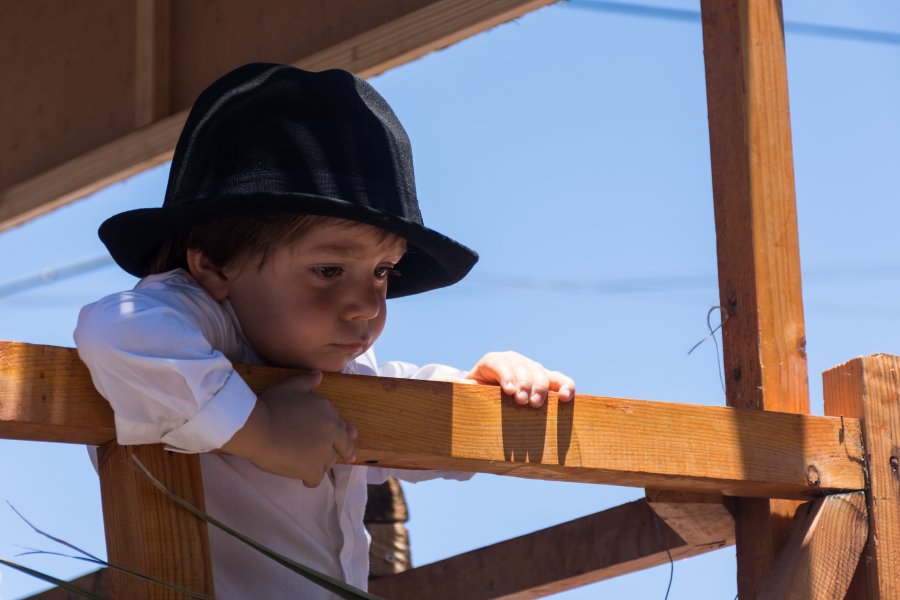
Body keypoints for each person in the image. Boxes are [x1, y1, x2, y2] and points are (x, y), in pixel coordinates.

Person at [74, 63, 575, 599]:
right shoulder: (200, 320)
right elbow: (113, 330)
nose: (364, 305)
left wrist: (477, 388)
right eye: (329, 271)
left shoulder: (337, 367)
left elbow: (396, 397)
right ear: (214, 268)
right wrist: (259, 432)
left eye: (383, 272)